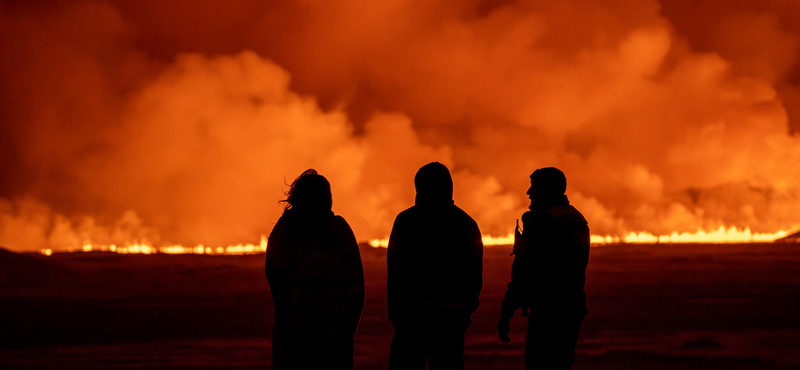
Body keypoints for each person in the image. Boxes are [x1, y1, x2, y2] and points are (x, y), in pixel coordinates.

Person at [387, 162, 484, 370]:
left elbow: (394, 272)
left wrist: (397, 315)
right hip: (450, 318)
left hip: (411, 318)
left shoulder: (406, 221)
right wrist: (463, 312)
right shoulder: (466, 223)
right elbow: (475, 275)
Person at [265, 169, 365, 370]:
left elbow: (275, 280)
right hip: (322, 340)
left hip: (303, 339)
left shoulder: (285, 231)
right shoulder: (336, 231)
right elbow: (356, 289)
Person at [497, 167, 590, 370]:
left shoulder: (542, 220)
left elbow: (525, 269)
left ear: (546, 189)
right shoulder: (577, 218)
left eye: (534, 187)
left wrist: (507, 311)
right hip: (572, 307)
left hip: (548, 309)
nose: (529, 193)